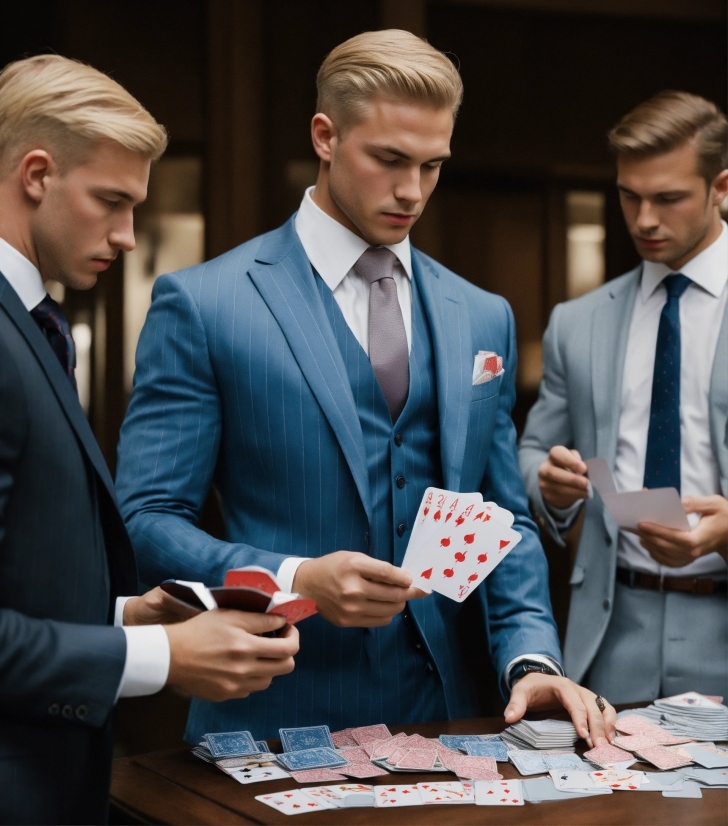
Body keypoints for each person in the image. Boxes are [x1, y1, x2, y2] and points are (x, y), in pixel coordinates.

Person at [117, 29, 615, 747]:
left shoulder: (481, 314)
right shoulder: (205, 305)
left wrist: (529, 658)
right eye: (388, 159)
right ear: (325, 135)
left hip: (459, 718)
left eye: (433, 165)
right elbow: (146, 521)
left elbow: (501, 517)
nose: (412, 190)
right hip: (274, 719)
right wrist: (295, 577)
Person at [0, 55, 299, 826]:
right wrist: (164, 660)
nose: (130, 236)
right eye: (111, 201)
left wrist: (127, 618)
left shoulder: (31, 324)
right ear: (36, 173)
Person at [519, 91, 728, 705]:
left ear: (721, 187)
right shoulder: (577, 322)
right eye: (628, 196)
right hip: (610, 631)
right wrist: (550, 487)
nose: (642, 220)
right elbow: (530, 450)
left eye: (667, 199)